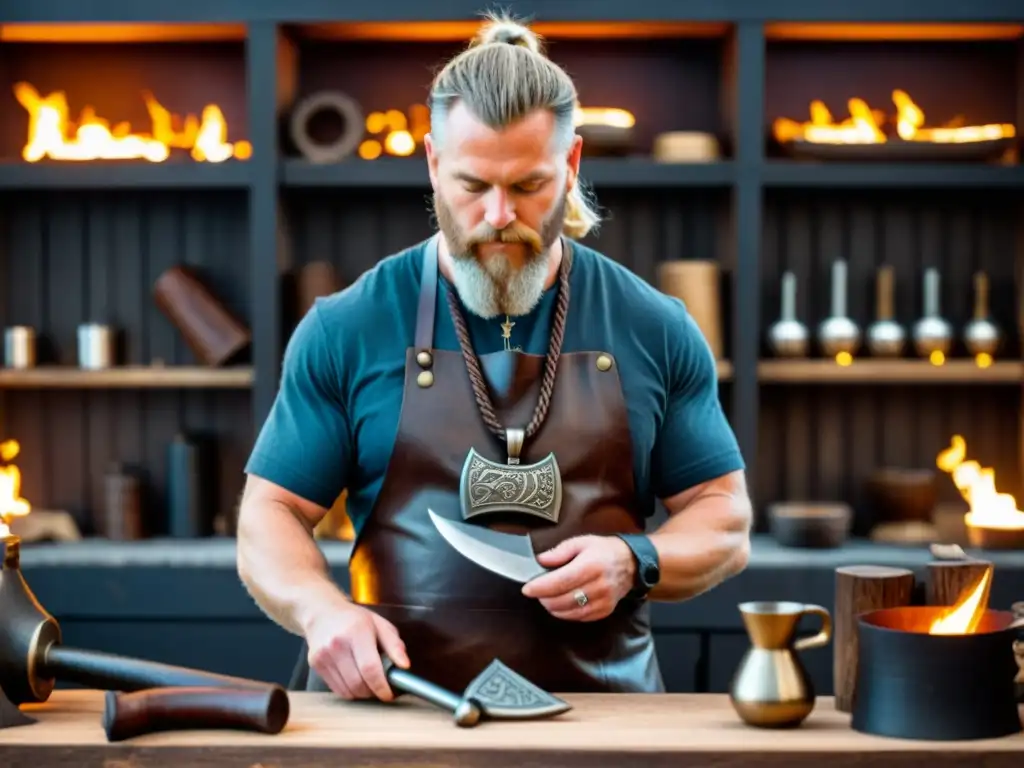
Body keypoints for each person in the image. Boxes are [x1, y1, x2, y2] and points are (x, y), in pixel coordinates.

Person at [236, 14, 752, 701]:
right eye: (473, 186)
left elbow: (725, 518)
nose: (500, 215)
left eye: (529, 185)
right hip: (397, 719)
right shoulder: (348, 327)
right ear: (432, 163)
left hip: (604, 725)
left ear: (571, 164)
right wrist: (319, 609)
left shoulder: (653, 325)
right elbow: (268, 513)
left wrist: (638, 559)